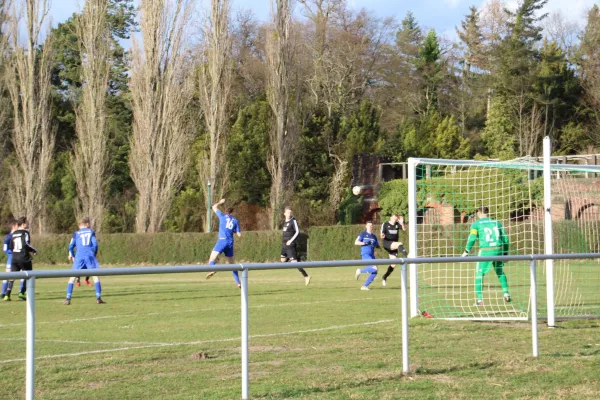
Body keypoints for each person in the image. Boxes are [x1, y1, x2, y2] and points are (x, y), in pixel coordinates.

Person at [461, 206, 511, 306]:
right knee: (500, 272)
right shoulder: (497, 223)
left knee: (479, 275)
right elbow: (505, 239)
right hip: (498, 250)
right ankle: (506, 293)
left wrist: (466, 251)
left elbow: (472, 238)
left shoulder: (476, 224)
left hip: (486, 251)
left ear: (479, 213)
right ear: (488, 213)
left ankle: (480, 300)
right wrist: (505, 253)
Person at [64, 217, 105, 305]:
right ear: (87, 224)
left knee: (72, 278)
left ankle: (68, 298)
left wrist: (73, 255)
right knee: (95, 276)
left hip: (79, 256)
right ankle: (98, 298)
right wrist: (94, 253)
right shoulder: (91, 232)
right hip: (89, 255)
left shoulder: (76, 233)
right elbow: (95, 244)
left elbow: (70, 246)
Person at [205, 199, 242, 287]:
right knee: (232, 264)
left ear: (225, 212)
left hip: (222, 240)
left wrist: (220, 202)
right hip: (230, 242)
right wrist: (233, 231)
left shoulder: (222, 216)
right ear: (232, 213)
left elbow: (214, 207)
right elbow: (239, 234)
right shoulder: (235, 221)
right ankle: (238, 282)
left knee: (212, 258)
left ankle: (212, 269)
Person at [3, 217, 37, 301]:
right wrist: (34, 250)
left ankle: (7, 294)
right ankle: (22, 292)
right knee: (28, 274)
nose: (28, 224)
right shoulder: (25, 233)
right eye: (27, 223)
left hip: (14, 258)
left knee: (12, 276)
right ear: (23, 224)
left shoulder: (14, 234)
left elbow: (11, 247)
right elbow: (26, 244)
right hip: (24, 257)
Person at [281, 207, 311, 286]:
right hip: (284, 245)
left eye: (290, 213)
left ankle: (306, 276)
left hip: (290, 245)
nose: (289, 214)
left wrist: (290, 241)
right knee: (282, 260)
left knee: (295, 263)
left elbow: (297, 232)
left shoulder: (293, 221)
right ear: (284, 213)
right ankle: (294, 258)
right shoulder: (284, 222)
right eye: (288, 213)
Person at [379, 213, 408, 287]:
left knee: (393, 264)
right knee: (399, 244)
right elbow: (381, 235)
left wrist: (402, 223)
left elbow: (404, 229)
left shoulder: (397, 224)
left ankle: (384, 277)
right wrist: (382, 235)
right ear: (391, 217)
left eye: (396, 218)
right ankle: (407, 256)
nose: (395, 219)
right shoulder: (385, 224)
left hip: (393, 245)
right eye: (394, 218)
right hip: (387, 243)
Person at [1, 220, 25, 299]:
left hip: (19, 258)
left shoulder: (18, 235)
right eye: (17, 226)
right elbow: (5, 249)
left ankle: (21, 292)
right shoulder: (8, 237)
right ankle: (4, 293)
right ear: (14, 226)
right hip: (12, 259)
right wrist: (12, 252)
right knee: (8, 276)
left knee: (23, 275)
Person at [354, 221, 380, 291]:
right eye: (369, 226)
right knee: (375, 268)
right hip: (365, 254)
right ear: (366, 226)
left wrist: (377, 244)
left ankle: (364, 286)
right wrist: (365, 243)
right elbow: (356, 242)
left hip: (372, 255)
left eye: (371, 226)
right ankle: (360, 271)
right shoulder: (363, 234)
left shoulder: (374, 236)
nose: (370, 227)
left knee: (375, 272)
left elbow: (377, 246)